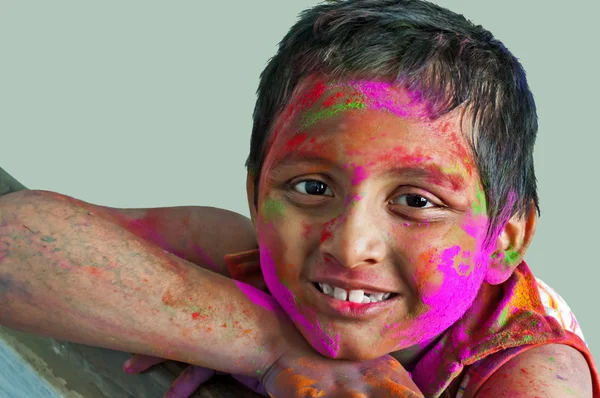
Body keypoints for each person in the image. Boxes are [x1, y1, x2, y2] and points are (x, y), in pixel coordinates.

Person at [1, 0, 598, 397]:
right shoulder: (258, 254)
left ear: (507, 238)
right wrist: (266, 343)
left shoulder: (534, 374)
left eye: (416, 201)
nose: (348, 243)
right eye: (312, 188)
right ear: (257, 197)